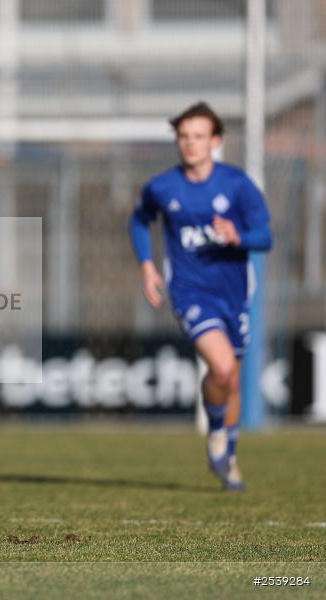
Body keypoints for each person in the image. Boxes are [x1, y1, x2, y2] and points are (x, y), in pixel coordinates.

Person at [129, 102, 272, 491]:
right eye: (183, 136)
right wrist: (146, 265)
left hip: (235, 292)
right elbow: (140, 220)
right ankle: (215, 433)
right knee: (222, 368)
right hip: (190, 292)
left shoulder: (237, 185)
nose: (190, 144)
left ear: (216, 141)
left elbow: (265, 236)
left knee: (232, 378)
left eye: (198, 136)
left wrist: (238, 236)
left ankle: (229, 456)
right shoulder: (163, 187)